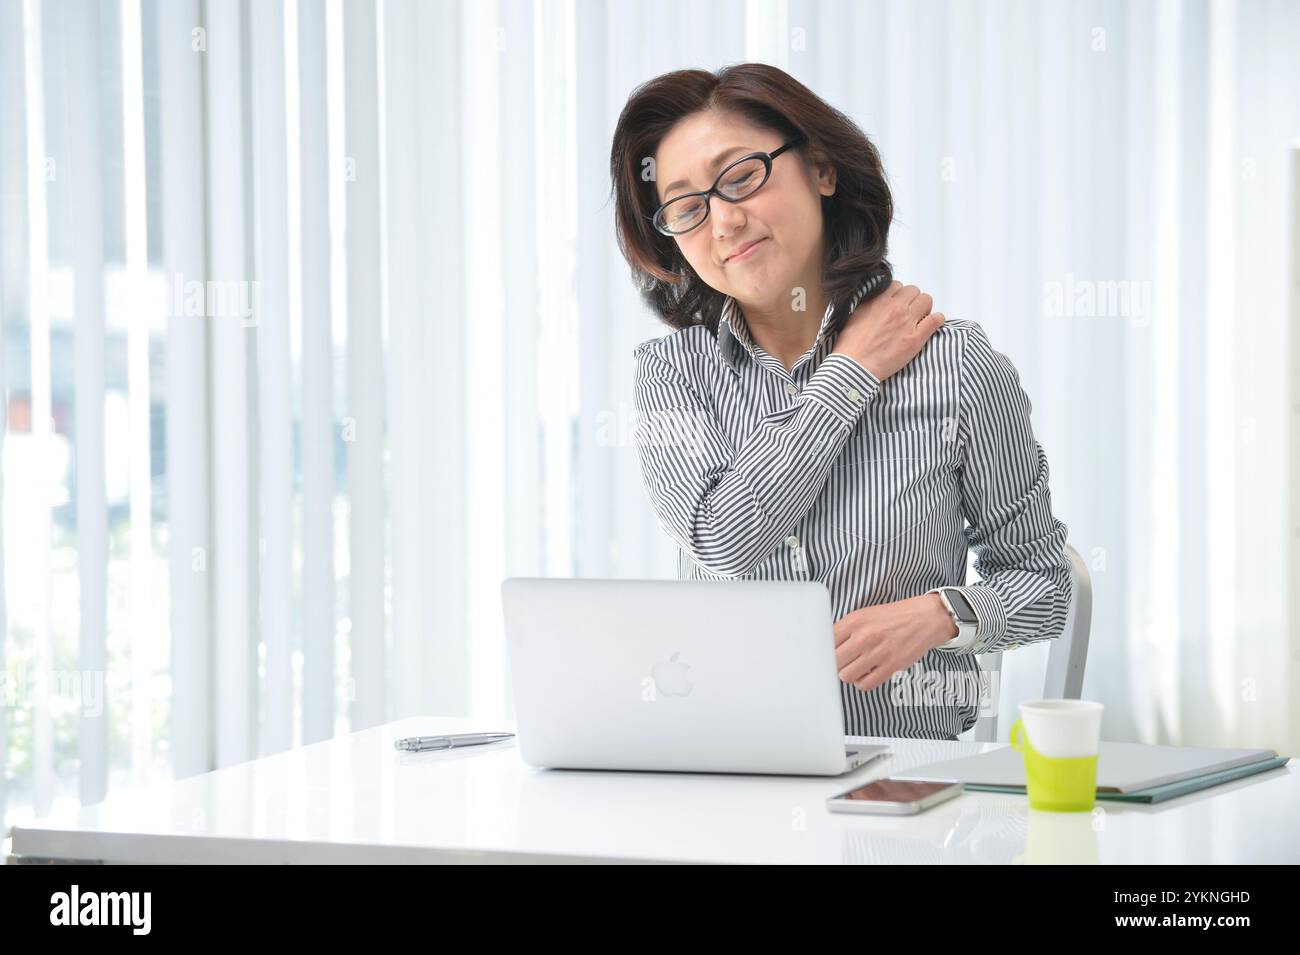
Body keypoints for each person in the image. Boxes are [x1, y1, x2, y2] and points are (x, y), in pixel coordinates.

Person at [609, 63, 1073, 740]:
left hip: (906, 786)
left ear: (821, 169)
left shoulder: (957, 367)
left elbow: (1044, 584)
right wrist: (851, 373)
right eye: (686, 207)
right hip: (728, 780)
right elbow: (727, 539)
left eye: (740, 177)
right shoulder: (671, 377)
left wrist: (943, 614)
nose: (724, 221)